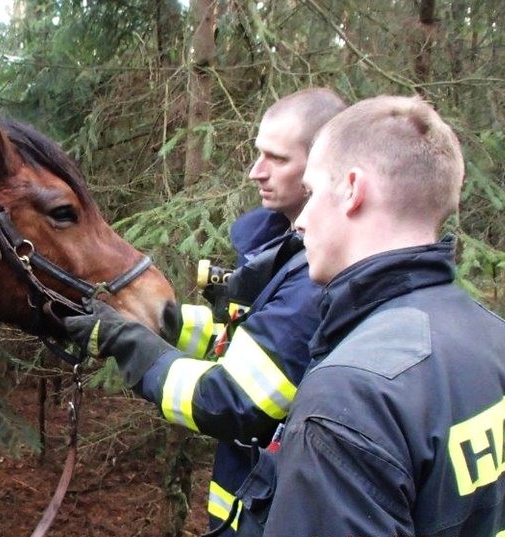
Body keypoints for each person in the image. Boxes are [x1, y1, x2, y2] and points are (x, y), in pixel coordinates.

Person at [62, 88, 346, 533]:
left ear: (323, 166)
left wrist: (129, 344)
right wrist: (168, 325)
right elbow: (250, 345)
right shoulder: (287, 248)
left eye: (277, 158)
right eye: (258, 154)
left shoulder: (316, 275)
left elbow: (234, 399)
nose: (256, 172)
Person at [236, 95, 505, 535]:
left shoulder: (348, 396)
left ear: (352, 189)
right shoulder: (497, 338)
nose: (301, 221)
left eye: (311, 193)